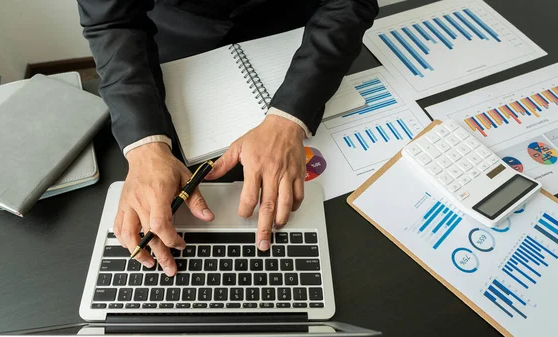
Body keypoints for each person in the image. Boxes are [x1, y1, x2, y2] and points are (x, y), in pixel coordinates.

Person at [77, 0, 379, 276]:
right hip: (179, 40)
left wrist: (290, 116)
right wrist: (145, 145)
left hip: (295, 34)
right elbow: (112, 23)